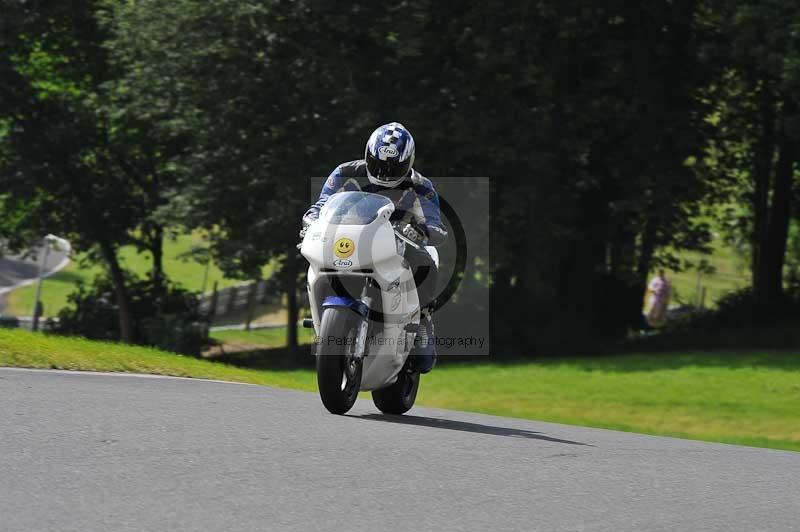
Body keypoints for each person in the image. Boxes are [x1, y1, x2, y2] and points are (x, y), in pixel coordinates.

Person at [301, 122, 447, 373]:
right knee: (316, 256)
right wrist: (311, 219)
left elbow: (435, 223)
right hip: (351, 235)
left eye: (393, 167)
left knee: (428, 261)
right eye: (379, 164)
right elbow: (322, 203)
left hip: (399, 239)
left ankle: (422, 320)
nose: (385, 172)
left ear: (408, 162)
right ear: (368, 155)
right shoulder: (345, 172)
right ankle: (324, 317)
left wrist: (424, 231)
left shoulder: (421, 185)